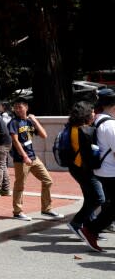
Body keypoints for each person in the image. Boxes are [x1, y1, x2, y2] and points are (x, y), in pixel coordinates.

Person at [8, 98, 63, 221]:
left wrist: (35, 121)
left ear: (26, 107)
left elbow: (44, 135)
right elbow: (15, 141)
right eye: (15, 107)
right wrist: (24, 156)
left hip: (33, 157)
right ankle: (17, 211)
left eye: (20, 107)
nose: (17, 109)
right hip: (21, 159)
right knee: (20, 185)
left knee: (48, 180)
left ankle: (46, 209)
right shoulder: (13, 122)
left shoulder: (29, 122)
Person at [77, 89, 115, 251]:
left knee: (110, 204)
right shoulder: (110, 124)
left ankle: (91, 229)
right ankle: (90, 229)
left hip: (102, 170)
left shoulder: (97, 120)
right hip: (111, 171)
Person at [61, 101, 103, 239]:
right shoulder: (83, 130)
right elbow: (86, 154)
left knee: (90, 198)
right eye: (92, 111)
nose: (94, 114)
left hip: (77, 168)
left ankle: (89, 228)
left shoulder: (72, 127)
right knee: (98, 197)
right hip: (83, 169)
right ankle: (76, 223)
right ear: (85, 114)